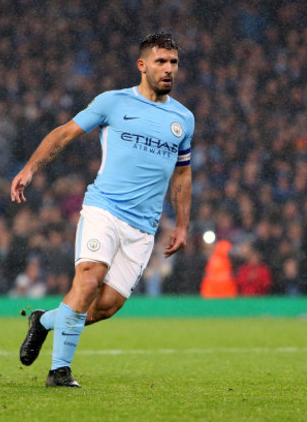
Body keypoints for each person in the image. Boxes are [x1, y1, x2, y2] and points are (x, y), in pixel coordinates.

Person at [10, 33, 194, 388]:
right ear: (142, 65)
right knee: (90, 278)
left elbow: (183, 174)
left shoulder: (183, 119)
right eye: (161, 61)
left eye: (173, 62)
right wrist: (30, 168)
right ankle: (59, 371)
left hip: (144, 228)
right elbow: (64, 134)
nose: (168, 68)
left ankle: (45, 320)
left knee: (106, 306)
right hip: (104, 209)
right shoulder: (112, 102)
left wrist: (183, 226)